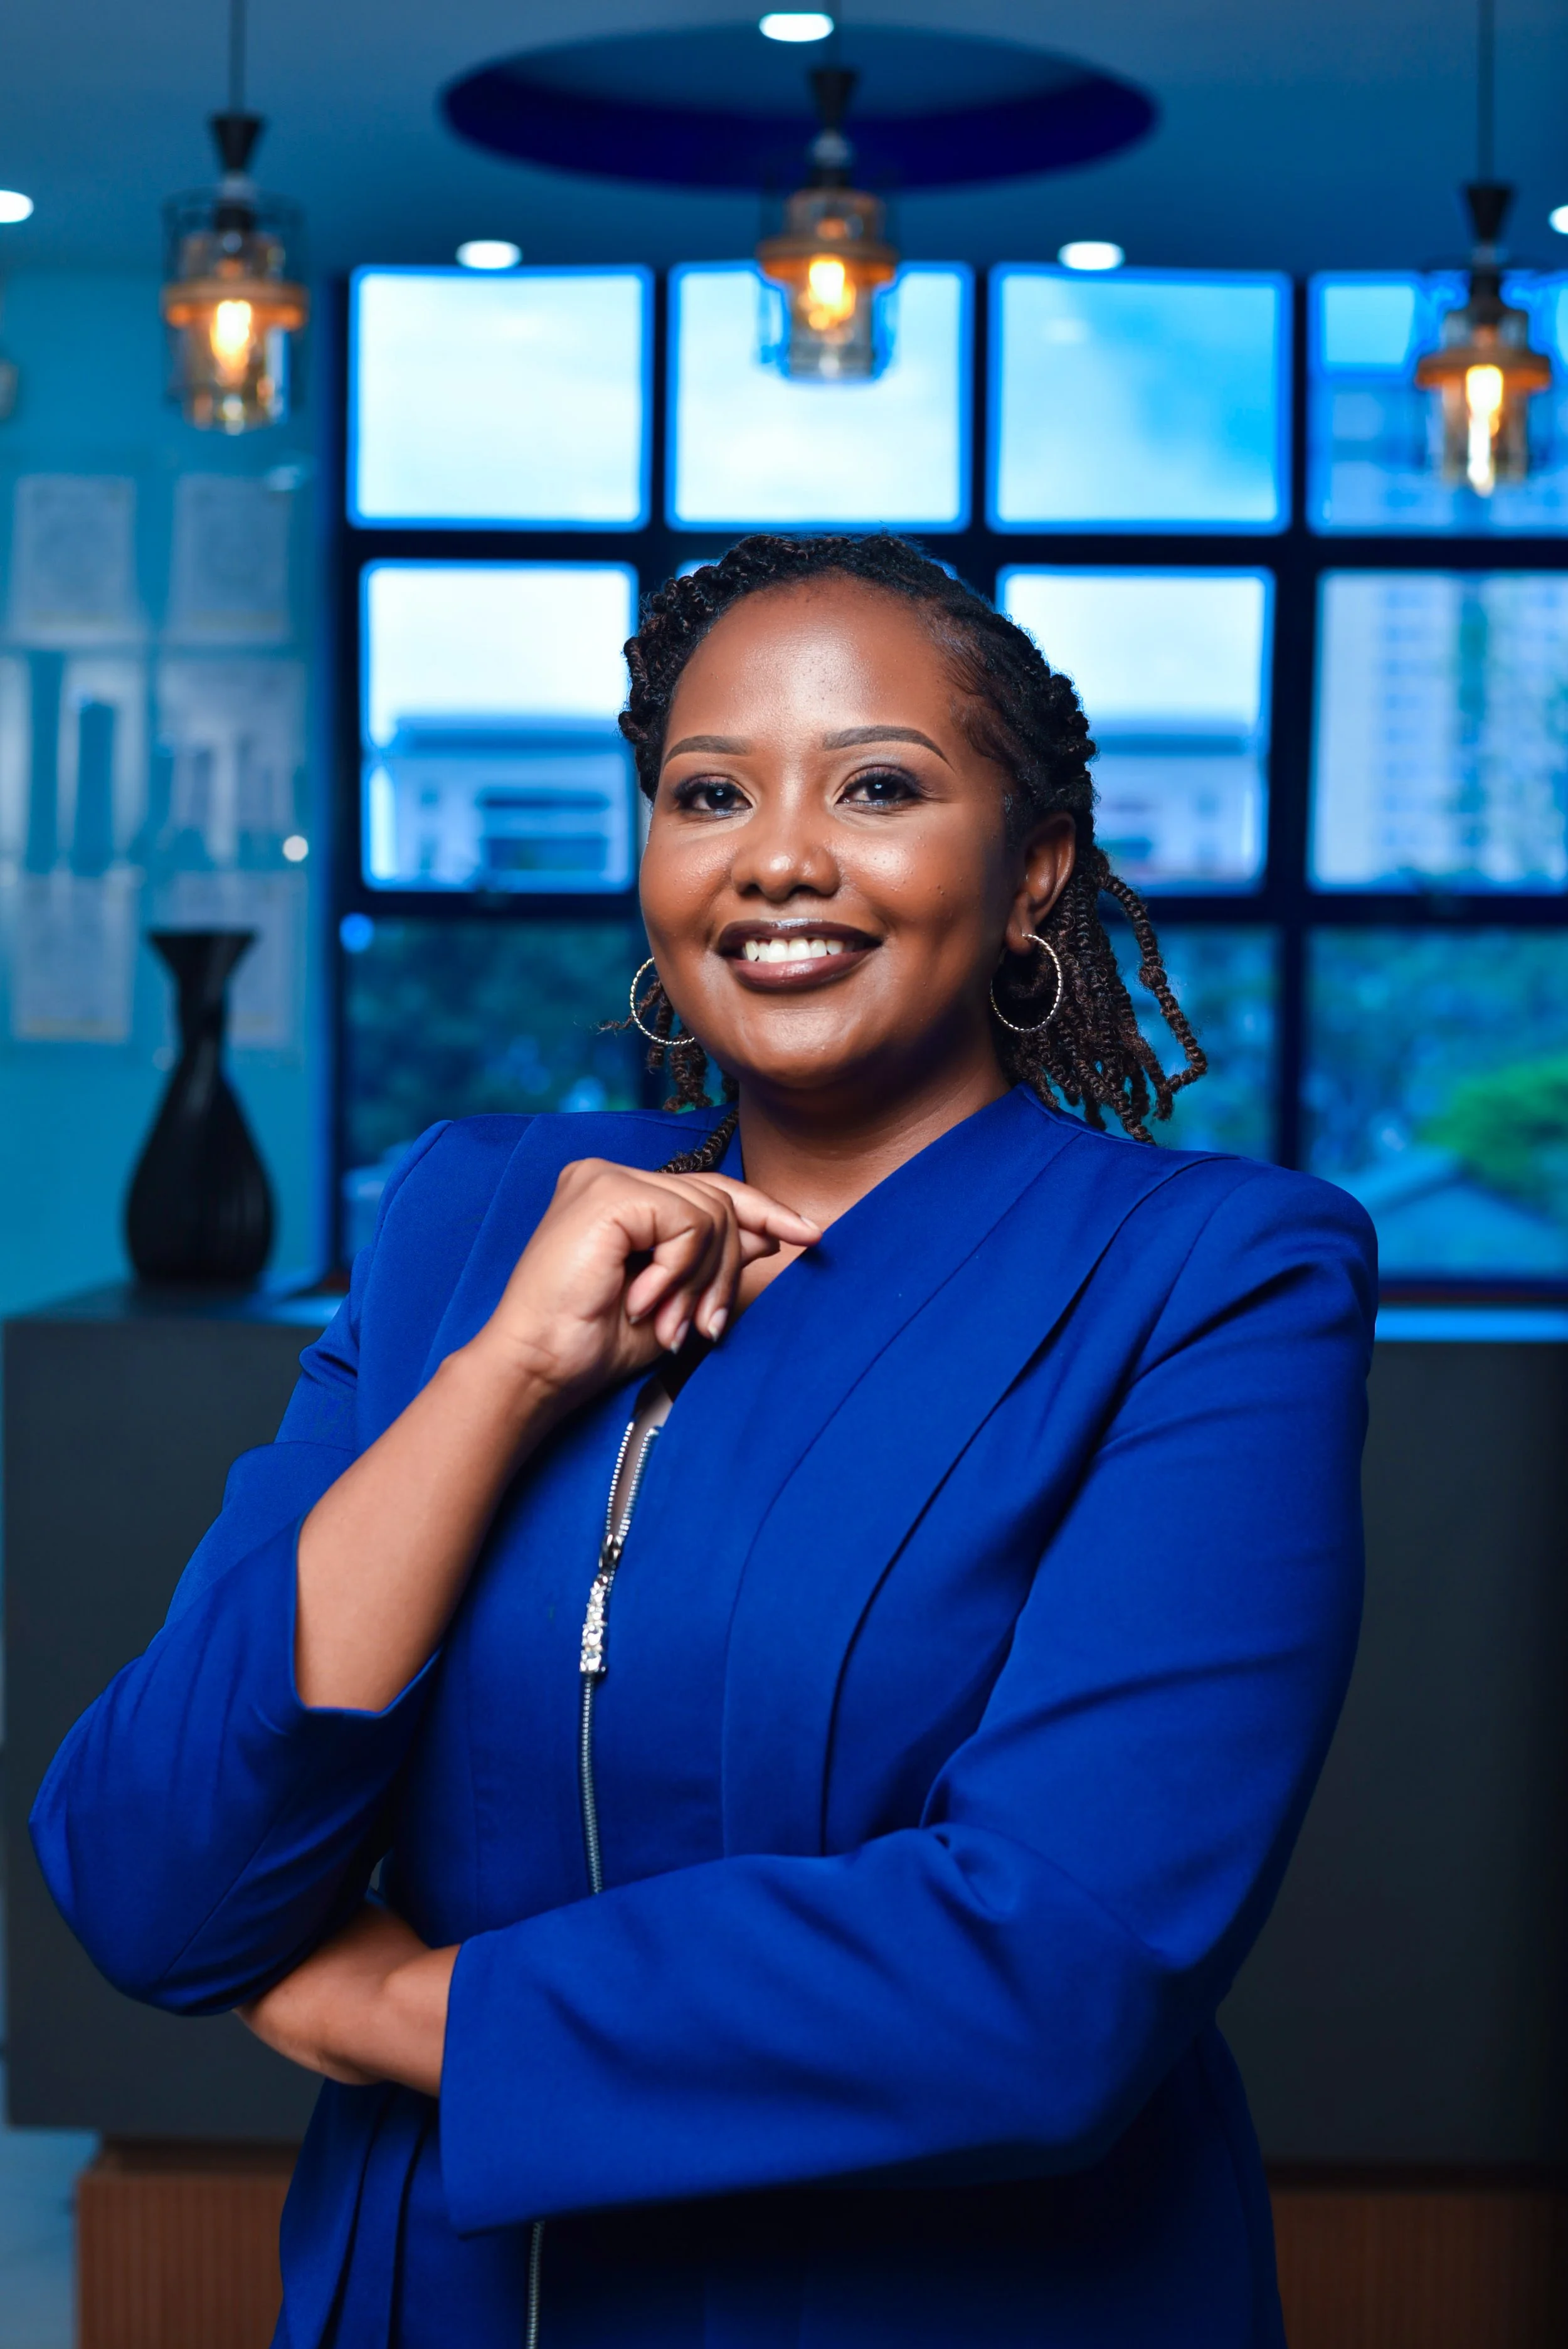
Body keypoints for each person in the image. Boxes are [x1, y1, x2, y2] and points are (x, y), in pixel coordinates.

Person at [33, 534, 1375, 2349]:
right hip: (442, 2298)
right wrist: (505, 1373)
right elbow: (151, 1879)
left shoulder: (1208, 1277)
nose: (779, 858)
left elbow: (1049, 1979)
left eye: (878, 787)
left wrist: (402, 2016)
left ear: (1034, 867)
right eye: (709, 793)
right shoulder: (467, 1223)